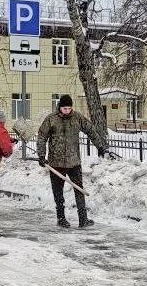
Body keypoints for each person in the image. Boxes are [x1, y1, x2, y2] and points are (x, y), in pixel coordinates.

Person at [36, 94, 108, 228]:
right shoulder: (51, 119)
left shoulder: (77, 117)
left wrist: (100, 146)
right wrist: (41, 155)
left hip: (74, 162)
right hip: (56, 164)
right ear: (59, 107)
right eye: (64, 108)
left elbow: (90, 130)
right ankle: (61, 218)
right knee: (58, 193)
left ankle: (83, 219)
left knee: (79, 190)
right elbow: (41, 137)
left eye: (69, 108)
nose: (67, 111)